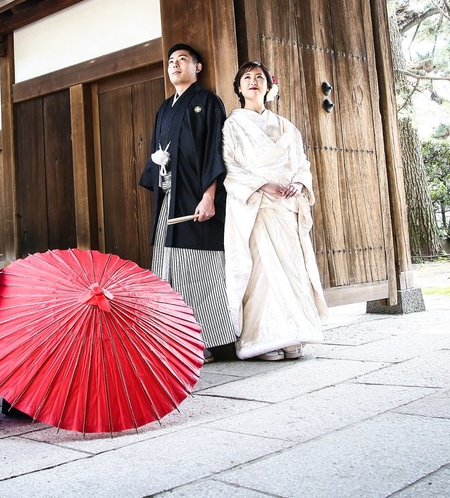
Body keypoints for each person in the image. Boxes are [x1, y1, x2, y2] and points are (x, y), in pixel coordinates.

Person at [222, 61, 328, 361]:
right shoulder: (232, 126)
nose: (253, 81)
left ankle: (295, 333)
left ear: (269, 86)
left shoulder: (286, 126)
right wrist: (262, 185)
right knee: (262, 272)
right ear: (239, 87)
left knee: (291, 269)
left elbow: (302, 163)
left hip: (285, 207)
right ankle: (263, 338)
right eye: (246, 77)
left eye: (260, 77)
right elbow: (229, 166)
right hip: (256, 206)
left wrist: (298, 183)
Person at [139, 43, 236, 362]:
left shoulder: (208, 102)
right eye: (171, 61)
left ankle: (211, 342)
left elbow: (214, 151)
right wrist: (157, 165)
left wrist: (209, 196)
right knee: (166, 268)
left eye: (183, 59)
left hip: (197, 200)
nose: (175, 64)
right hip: (170, 198)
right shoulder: (164, 109)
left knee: (200, 270)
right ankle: (177, 341)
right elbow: (157, 155)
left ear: (198, 67)